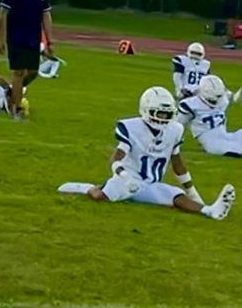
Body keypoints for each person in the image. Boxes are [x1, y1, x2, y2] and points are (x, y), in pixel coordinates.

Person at [58, 85, 234, 218]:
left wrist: (193, 193)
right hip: (128, 180)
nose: (163, 119)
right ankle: (85, 187)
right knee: (98, 195)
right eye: (159, 113)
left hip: (151, 184)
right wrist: (124, 178)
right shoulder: (132, 127)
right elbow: (115, 159)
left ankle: (210, 210)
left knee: (176, 197)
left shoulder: (174, 130)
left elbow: (177, 163)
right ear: (146, 109)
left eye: (167, 114)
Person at [0, 0, 55, 112]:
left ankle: (12, 92)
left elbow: (46, 16)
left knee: (33, 72)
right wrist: (0, 39)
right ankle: (16, 107)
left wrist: (50, 41)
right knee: (18, 72)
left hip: (33, 38)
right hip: (16, 37)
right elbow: (3, 14)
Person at [178, 75, 242, 157]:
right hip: (210, 141)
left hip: (225, 135)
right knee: (228, 148)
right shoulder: (191, 104)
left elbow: (234, 97)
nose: (216, 100)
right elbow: (178, 124)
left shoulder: (222, 97)